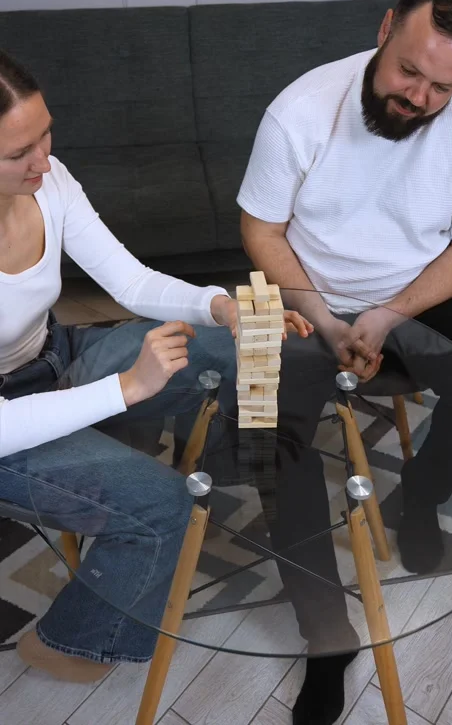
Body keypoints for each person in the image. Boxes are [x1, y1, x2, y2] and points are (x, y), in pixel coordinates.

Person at [0, 48, 311, 684]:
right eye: (18, 153)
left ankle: (242, 464)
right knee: (164, 506)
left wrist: (221, 307)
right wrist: (128, 387)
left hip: (58, 358)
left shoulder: (49, 180)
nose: (43, 160)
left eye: (45, 134)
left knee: (237, 346)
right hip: (9, 427)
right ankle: (71, 642)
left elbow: (129, 279)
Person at [238, 0, 452, 725]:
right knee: (268, 431)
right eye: (410, 71)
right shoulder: (299, 111)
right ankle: (327, 635)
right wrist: (330, 317)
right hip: (300, 294)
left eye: (442, 87)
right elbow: (260, 231)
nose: (419, 98)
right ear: (384, 29)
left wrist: (386, 313)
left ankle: (421, 500)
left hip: (408, 298)